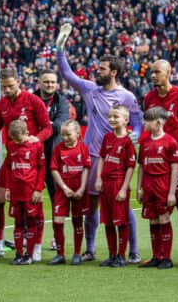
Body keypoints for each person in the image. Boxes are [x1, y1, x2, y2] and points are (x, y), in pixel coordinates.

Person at [56, 23, 143, 263]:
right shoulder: (89, 89)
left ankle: (133, 251)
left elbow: (137, 121)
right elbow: (67, 75)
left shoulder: (127, 96)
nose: (97, 71)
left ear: (113, 71)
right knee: (91, 205)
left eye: (102, 68)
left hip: (116, 158)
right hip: (94, 155)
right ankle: (91, 249)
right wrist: (60, 48)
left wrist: (134, 133)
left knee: (121, 204)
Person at [0, 68, 52, 261]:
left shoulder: (33, 101)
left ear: (18, 81)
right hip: (13, 159)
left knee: (35, 206)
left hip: (32, 160)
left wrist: (37, 139)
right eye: (4, 87)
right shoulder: (1, 104)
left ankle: (37, 247)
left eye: (10, 85)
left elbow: (48, 127)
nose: (7, 90)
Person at [143, 59, 178, 264]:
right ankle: (159, 254)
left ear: (168, 73)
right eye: (151, 72)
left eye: (157, 71)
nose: (153, 75)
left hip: (176, 158)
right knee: (156, 205)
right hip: (156, 159)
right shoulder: (149, 98)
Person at [136, 107, 178, 270]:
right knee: (153, 219)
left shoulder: (170, 142)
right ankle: (156, 256)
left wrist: (172, 192)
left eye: (147, 120)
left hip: (162, 185)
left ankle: (166, 257)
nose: (144, 123)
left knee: (163, 219)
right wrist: (139, 188)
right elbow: (141, 166)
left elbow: (175, 168)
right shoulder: (145, 142)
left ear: (158, 122)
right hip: (148, 185)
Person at [34, 69, 71, 251]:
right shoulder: (31, 99)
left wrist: (41, 125)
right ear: (39, 82)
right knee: (29, 198)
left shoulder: (61, 102)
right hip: (32, 157)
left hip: (53, 157)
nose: (49, 85)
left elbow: (61, 125)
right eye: (46, 81)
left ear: (57, 84)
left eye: (52, 82)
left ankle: (57, 239)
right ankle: (29, 236)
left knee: (57, 199)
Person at [95, 105, 136, 268]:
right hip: (105, 185)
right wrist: (98, 179)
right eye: (110, 116)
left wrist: (124, 188)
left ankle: (121, 255)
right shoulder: (107, 138)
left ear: (125, 120)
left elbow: (130, 167)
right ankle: (112, 254)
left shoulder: (128, 142)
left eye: (116, 117)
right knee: (108, 221)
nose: (112, 119)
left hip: (118, 184)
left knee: (121, 222)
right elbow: (102, 158)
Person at [2, 120, 45, 265]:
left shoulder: (36, 146)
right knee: (18, 222)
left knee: (32, 221)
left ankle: (29, 254)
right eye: (13, 139)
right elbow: (8, 167)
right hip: (15, 192)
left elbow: (41, 168)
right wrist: (7, 188)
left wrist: (38, 189)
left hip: (30, 192)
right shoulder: (11, 145)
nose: (16, 142)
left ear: (27, 133)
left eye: (19, 139)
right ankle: (19, 253)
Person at [48, 120, 91, 265]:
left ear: (78, 134)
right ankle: (60, 254)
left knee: (77, 220)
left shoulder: (83, 149)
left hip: (79, 190)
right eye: (62, 135)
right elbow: (54, 169)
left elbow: (86, 169)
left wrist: (82, 188)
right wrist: (64, 188)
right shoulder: (58, 149)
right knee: (58, 220)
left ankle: (77, 254)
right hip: (62, 190)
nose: (65, 138)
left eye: (68, 135)